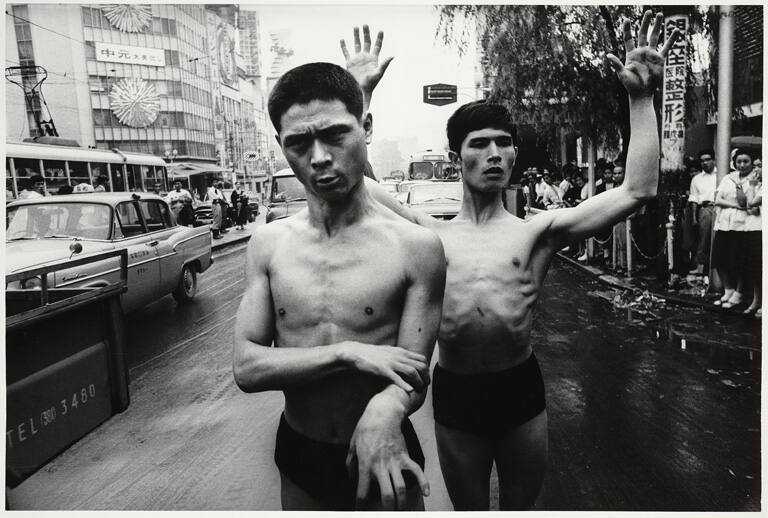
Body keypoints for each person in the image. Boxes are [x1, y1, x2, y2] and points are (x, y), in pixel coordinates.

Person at [358, 12, 677, 509]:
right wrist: (362, 97)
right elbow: (358, 181)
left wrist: (640, 99)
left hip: (518, 388)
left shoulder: (539, 232)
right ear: (455, 156)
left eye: (503, 144)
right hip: (458, 391)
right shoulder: (428, 234)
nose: (493, 154)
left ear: (514, 156)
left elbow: (639, 189)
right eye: (478, 144)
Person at [232, 58, 446, 511]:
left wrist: (386, 409)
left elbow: (412, 374)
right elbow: (247, 369)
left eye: (335, 135)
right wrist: (348, 352)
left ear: (365, 126)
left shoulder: (416, 247)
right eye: (299, 143)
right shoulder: (268, 244)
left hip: (384, 449)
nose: (320, 158)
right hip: (300, 451)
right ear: (281, 146)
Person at [711, 148, 761, 311]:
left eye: (745, 161)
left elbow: (745, 204)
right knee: (720, 258)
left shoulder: (755, 179)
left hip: (742, 225)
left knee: (739, 260)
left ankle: (739, 293)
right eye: (739, 161)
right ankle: (728, 290)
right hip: (724, 222)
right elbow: (717, 199)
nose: (741, 165)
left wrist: (739, 187)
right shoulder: (727, 178)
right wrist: (733, 205)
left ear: (752, 162)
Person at [687, 149, 718, 275]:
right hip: (705, 209)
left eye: (708, 159)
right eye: (702, 161)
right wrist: (694, 218)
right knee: (704, 238)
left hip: (721, 208)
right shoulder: (697, 179)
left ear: (714, 160)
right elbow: (693, 198)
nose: (705, 163)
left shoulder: (721, 175)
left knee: (719, 239)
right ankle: (700, 267)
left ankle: (715, 269)